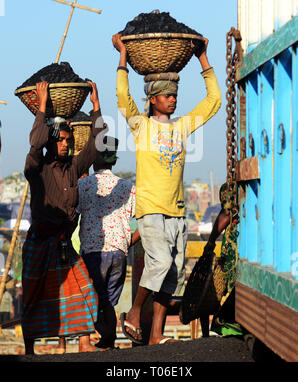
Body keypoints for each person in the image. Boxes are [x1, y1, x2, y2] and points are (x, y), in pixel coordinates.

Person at [112, 32, 221, 345]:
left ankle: (156, 334)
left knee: (171, 277)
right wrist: (122, 56)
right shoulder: (141, 126)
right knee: (158, 263)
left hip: (176, 211)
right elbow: (123, 97)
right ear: (153, 99)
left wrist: (202, 58)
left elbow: (213, 101)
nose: (173, 99)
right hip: (150, 209)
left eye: (174, 95)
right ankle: (133, 313)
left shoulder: (181, 126)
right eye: (166, 95)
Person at [22, 80, 106, 355]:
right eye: (60, 140)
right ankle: (30, 349)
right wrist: (42, 107)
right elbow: (35, 145)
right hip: (40, 241)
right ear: (51, 140)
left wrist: (96, 107)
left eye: (68, 140)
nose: (65, 144)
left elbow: (97, 145)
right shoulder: (37, 168)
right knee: (34, 296)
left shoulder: (73, 167)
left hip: (62, 244)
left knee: (84, 290)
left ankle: (83, 341)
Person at [77, 135, 140, 350]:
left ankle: (106, 337)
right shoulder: (128, 186)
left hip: (93, 251)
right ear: (114, 160)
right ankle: (108, 341)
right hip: (119, 252)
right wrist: (126, 242)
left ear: (94, 159)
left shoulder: (83, 185)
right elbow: (143, 221)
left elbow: (72, 215)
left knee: (96, 298)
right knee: (109, 301)